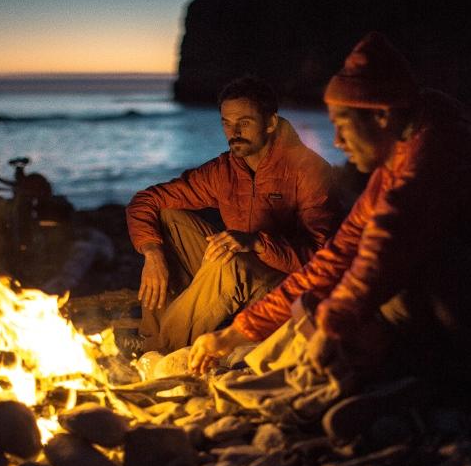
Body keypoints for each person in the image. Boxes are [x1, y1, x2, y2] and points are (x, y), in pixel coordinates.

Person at [189, 32, 471, 395]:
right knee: (334, 289)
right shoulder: (396, 162)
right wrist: (236, 333)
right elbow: (337, 254)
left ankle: (435, 379)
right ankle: (390, 371)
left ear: (381, 115)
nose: (337, 141)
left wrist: (330, 327)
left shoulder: (435, 157)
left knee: (398, 271)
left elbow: (382, 254)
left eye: (343, 125)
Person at [126, 76, 339, 354]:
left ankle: (157, 351)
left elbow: (322, 261)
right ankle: (151, 336)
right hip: (240, 271)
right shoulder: (225, 170)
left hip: (287, 288)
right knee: (168, 216)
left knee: (230, 263)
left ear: (271, 123)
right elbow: (146, 200)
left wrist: (258, 243)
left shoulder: (308, 170)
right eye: (226, 122)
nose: (233, 131)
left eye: (245, 122)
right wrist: (152, 254)